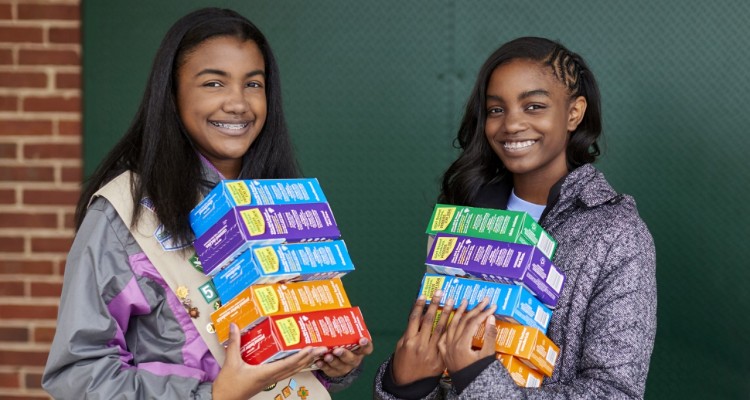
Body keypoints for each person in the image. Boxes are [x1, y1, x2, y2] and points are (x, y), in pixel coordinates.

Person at [42, 7, 372, 400]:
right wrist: (212, 396)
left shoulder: (283, 204)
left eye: (253, 84)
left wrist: (336, 362)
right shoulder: (124, 214)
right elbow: (77, 375)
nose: (238, 104)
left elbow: (297, 344)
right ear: (172, 93)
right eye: (214, 84)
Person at [374, 36, 657, 399]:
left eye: (534, 106)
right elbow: (431, 360)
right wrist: (403, 385)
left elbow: (615, 392)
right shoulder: (465, 215)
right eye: (496, 109)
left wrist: (478, 377)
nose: (511, 124)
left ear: (574, 112)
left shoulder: (616, 232)